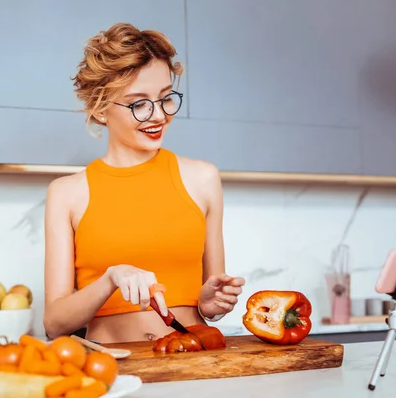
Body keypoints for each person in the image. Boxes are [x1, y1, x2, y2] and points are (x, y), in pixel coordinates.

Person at [43, 22, 245, 344]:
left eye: (166, 98)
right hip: (113, 371)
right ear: (99, 109)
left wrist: (210, 303)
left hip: (195, 365)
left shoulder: (203, 179)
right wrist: (110, 280)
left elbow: (211, 300)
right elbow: (55, 323)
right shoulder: (66, 194)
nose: (158, 116)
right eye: (139, 103)